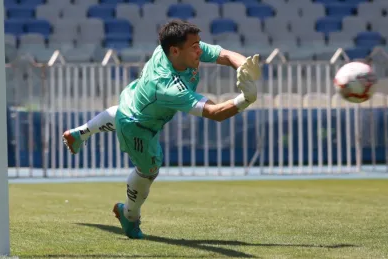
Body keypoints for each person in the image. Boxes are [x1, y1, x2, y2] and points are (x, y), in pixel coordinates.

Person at [62, 19, 261, 239]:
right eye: (194, 47)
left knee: (120, 112)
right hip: (137, 126)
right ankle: (128, 214)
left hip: (134, 99)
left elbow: (225, 54)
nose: (199, 50)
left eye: (199, 44)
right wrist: (245, 99)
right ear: (175, 51)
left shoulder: (172, 48)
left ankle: (80, 133)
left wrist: (245, 68)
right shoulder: (168, 87)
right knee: (149, 170)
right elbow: (215, 113)